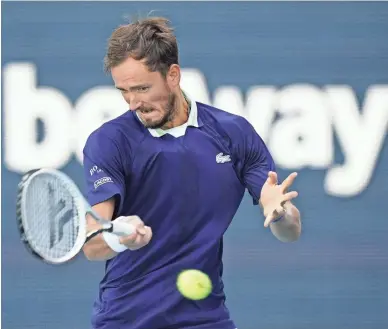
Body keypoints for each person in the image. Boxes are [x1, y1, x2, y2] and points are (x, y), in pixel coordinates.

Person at [82, 16, 302, 329]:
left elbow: (290, 231)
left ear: (173, 75)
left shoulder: (233, 134)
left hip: (206, 318)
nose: (133, 103)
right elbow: (92, 244)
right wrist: (121, 236)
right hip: (126, 320)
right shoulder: (109, 141)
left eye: (143, 88)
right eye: (124, 92)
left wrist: (281, 213)